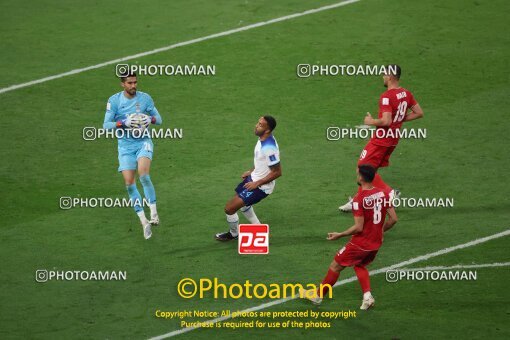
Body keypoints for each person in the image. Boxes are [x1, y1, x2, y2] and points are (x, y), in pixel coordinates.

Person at [304, 165, 398, 309]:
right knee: (360, 264)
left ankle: (317, 296)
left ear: (361, 177)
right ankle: (367, 297)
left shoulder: (358, 199)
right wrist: (379, 231)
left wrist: (340, 234)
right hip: (376, 242)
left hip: (361, 243)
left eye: (357, 174)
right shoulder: (383, 194)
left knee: (335, 266)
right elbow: (393, 219)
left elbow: (358, 227)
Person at [339, 65, 424, 212]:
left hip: (381, 139)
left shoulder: (387, 97)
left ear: (390, 77)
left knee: (362, 168)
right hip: (393, 140)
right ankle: (357, 202)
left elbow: (385, 121)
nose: (382, 77)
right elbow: (419, 113)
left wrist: (370, 121)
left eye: (384, 74)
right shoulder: (406, 94)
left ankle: (390, 193)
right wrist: (398, 120)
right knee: (370, 171)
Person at [103, 71, 162, 239]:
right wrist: (123, 123)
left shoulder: (145, 98)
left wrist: (148, 119)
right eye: (129, 83)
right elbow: (106, 126)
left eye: (135, 82)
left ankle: (154, 213)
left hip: (143, 142)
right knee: (129, 184)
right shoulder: (114, 101)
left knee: (144, 175)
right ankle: (143, 221)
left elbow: (159, 119)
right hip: (125, 147)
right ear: (122, 84)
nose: (133, 86)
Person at [215, 116, 282, 241]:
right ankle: (258, 227)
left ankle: (234, 233)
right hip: (254, 178)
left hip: (261, 186)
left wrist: (257, 183)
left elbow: (277, 172)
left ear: (268, 130)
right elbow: (262, 161)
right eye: (258, 123)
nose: (257, 125)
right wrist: (252, 171)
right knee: (243, 204)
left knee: (229, 209)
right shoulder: (261, 138)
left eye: (261, 125)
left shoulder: (269, 147)